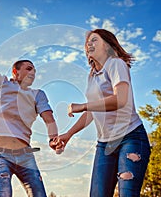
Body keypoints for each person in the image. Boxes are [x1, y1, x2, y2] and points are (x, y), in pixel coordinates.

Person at [0, 0, 63, 197]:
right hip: (1, 155)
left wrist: (53, 138)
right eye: (29, 68)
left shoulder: (37, 94)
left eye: (35, 71)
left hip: (25, 157)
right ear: (16, 71)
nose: (33, 73)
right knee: (3, 194)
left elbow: (49, 119)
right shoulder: (0, 83)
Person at [59, 29, 151, 196]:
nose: (89, 44)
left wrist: (84, 105)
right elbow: (94, 111)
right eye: (87, 42)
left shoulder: (116, 64)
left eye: (94, 40)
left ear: (108, 45)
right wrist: (69, 134)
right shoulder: (92, 76)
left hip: (130, 137)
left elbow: (120, 99)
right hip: (104, 145)